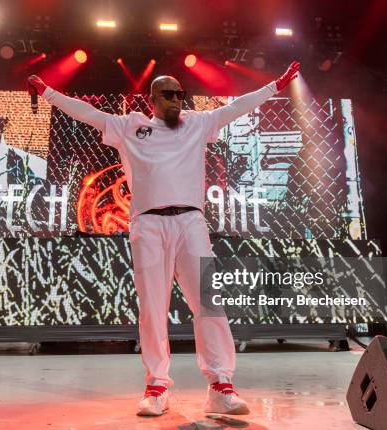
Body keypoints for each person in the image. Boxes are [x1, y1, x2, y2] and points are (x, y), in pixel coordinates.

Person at [27, 61, 300, 416]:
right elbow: (87, 113)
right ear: (152, 98)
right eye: (168, 94)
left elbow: (235, 107)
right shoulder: (131, 126)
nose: (175, 100)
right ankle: (157, 386)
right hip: (148, 225)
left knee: (207, 301)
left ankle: (221, 385)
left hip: (190, 222)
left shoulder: (197, 123)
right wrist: (47, 92)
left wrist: (274, 86)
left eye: (179, 94)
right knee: (152, 308)